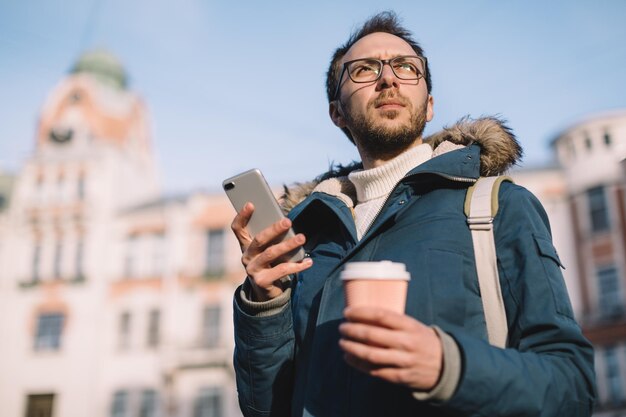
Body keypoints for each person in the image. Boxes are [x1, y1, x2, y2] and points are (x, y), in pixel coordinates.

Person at [230, 11, 596, 417]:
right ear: (337, 113)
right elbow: (267, 409)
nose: (388, 79)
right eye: (364, 70)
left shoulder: (495, 207)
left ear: (430, 106)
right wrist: (263, 306)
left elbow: (572, 386)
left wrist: (448, 367)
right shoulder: (308, 237)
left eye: (406, 68)